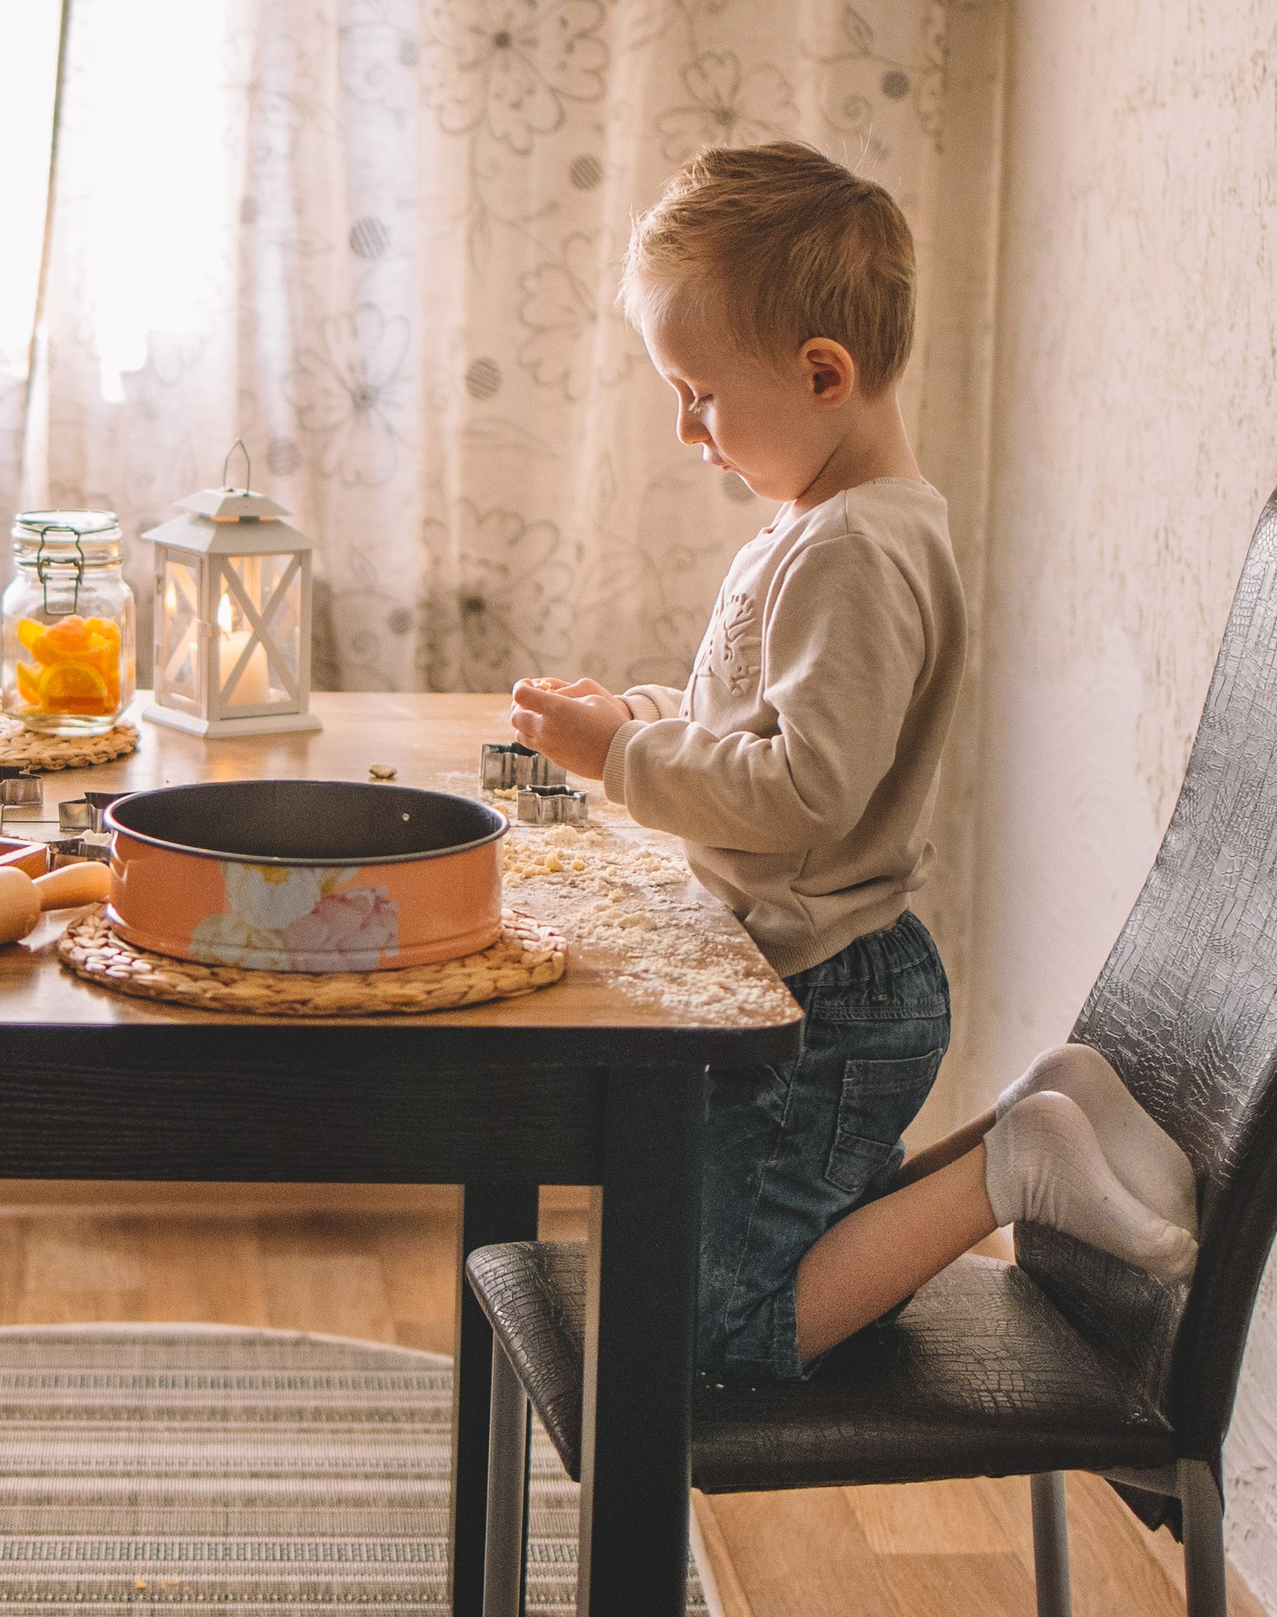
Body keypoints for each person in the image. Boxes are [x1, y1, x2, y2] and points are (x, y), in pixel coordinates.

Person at [510, 143, 1194, 1390]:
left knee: (717, 1337)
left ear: (822, 372)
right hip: (817, 978)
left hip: (824, 997)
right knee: (730, 1270)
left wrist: (621, 755)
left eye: (700, 392)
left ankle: (1006, 1168)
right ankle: (1029, 1120)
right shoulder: (821, 528)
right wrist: (637, 713)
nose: (687, 430)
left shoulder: (853, 552)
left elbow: (805, 795)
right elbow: (753, 728)